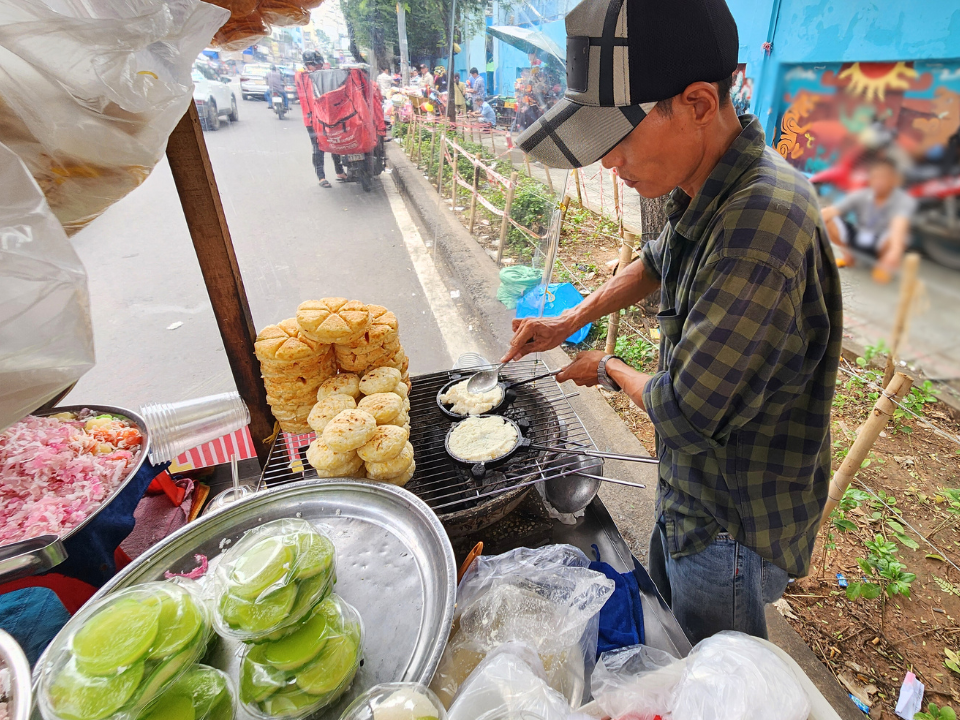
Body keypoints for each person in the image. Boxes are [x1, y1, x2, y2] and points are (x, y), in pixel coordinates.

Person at [509, 0, 842, 645]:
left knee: (715, 665)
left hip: (732, 523)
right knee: (673, 629)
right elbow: (659, 262)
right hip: (693, 492)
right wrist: (569, 319)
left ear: (696, 103)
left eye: (619, 138)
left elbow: (683, 413)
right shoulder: (712, 184)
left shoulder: (761, 221)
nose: (610, 163)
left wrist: (605, 368)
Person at [822, 156, 917, 283]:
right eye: (875, 176)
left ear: (894, 180)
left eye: (884, 177)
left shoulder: (904, 200)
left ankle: (883, 265)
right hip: (859, 235)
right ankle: (849, 257)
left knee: (901, 235)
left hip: (881, 241)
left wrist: (895, 251)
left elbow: (899, 224)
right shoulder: (862, 195)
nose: (879, 181)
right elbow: (830, 211)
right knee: (827, 218)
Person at [293, 52, 344, 187]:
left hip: (327, 116)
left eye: (319, 65)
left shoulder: (321, 75)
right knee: (318, 147)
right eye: (315, 65)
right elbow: (300, 76)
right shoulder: (302, 76)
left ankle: (340, 171)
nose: (318, 67)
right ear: (308, 65)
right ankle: (321, 177)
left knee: (334, 142)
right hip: (311, 119)